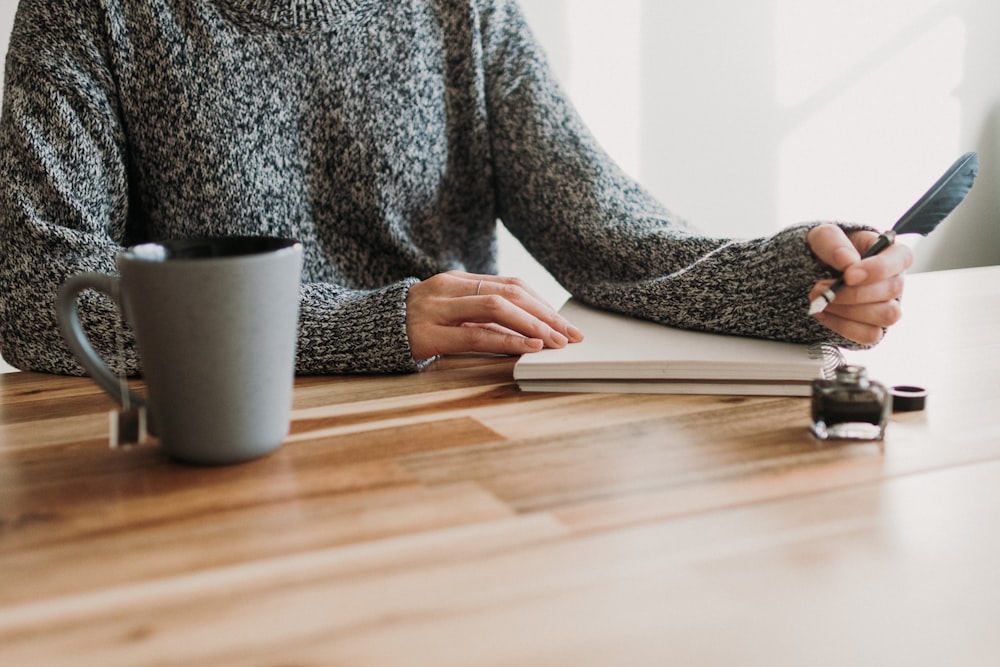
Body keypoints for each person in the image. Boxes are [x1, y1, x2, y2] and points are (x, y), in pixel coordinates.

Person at [0, 0, 910, 377]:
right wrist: (369, 323)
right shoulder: (87, 11)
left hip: (454, 433)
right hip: (203, 453)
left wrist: (801, 275)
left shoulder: (462, 8)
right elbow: (38, 288)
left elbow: (608, 234)